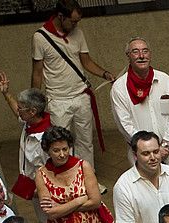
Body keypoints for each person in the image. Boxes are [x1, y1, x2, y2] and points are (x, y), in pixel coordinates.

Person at [31, 0, 113, 167]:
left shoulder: (78, 33)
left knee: (86, 141)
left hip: (81, 96)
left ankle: (88, 178)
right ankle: (67, 180)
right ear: (61, 16)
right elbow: (37, 72)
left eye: (78, 21)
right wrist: (35, 104)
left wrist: (105, 74)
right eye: (73, 21)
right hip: (58, 100)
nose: (76, 25)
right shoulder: (40, 37)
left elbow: (86, 61)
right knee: (60, 144)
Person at [34, 125, 117, 223]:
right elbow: (50, 213)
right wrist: (79, 200)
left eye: (65, 149)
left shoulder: (83, 166)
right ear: (47, 151)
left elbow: (95, 201)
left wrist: (62, 208)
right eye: (56, 150)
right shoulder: (41, 175)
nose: (62, 154)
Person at [111, 39, 169, 180]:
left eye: (145, 51)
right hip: (140, 154)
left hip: (168, 149)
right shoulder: (119, 87)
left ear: (150, 54)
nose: (141, 55)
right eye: (135, 51)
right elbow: (124, 124)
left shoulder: (164, 80)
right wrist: (148, 150)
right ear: (128, 56)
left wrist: (163, 146)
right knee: (145, 188)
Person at [0, 79, 51, 206]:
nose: (18, 111)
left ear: (32, 111)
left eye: (21, 108)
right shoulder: (29, 122)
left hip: (46, 189)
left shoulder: (48, 138)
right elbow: (16, 111)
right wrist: (6, 93)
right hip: (32, 183)